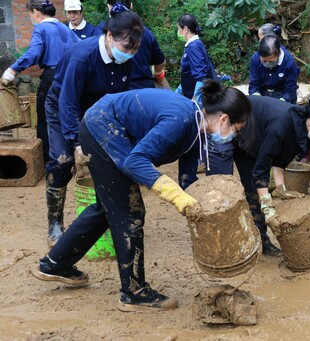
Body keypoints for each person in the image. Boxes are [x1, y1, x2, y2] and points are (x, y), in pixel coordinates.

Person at [32, 81, 251, 312]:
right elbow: (135, 161)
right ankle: (134, 293)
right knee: (130, 212)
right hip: (102, 128)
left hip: (110, 129)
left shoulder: (197, 128)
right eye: (237, 129)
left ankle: (54, 264)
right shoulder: (180, 120)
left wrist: (204, 208)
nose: (233, 136)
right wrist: (174, 195)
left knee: (107, 208)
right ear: (224, 119)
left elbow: (187, 179)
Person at [43, 4, 143, 247]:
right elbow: (68, 101)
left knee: (107, 160)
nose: (130, 54)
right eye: (127, 47)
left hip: (96, 111)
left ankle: (106, 217)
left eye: (135, 50)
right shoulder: (82, 56)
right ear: (109, 36)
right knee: (64, 161)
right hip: (63, 108)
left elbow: (118, 98)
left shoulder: (125, 58)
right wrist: (76, 141)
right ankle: (55, 221)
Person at [204, 94, 310, 256]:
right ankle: (221, 246)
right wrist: (267, 204)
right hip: (225, 128)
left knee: (253, 191)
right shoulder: (281, 125)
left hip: (250, 139)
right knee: (222, 191)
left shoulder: (303, 131)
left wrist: (280, 188)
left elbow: (278, 162)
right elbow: (262, 167)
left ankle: (261, 241)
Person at [0, 0, 79, 162]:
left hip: (53, 76)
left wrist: (12, 70)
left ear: (35, 12)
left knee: (45, 117)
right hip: (72, 76)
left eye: (30, 15)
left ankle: (46, 158)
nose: (32, 18)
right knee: (69, 114)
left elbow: (34, 52)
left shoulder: (42, 28)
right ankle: (72, 153)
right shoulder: (66, 28)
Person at [94, 0, 166, 89]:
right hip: (142, 87)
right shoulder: (144, 31)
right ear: (131, 5)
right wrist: (157, 74)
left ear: (109, 6)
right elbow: (160, 61)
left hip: (113, 87)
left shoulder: (101, 30)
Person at [175, 13, 215, 103]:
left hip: (199, 99)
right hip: (190, 92)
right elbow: (189, 72)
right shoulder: (193, 45)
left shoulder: (194, 47)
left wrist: (195, 100)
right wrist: (179, 90)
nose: (178, 32)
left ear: (185, 29)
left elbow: (201, 76)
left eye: (179, 28)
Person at [249, 35, 300, 104]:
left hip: (282, 93)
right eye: (264, 61)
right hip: (262, 92)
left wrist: (280, 103)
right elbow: (254, 84)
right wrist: (257, 97)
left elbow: (290, 90)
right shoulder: (255, 59)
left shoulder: (289, 63)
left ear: (279, 53)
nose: (267, 63)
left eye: (271, 61)